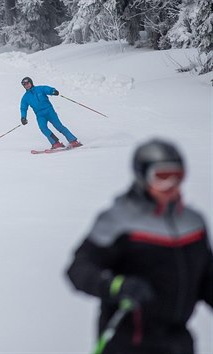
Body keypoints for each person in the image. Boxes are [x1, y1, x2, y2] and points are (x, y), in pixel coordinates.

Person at [66, 138, 212, 354]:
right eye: (162, 177)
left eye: (177, 176)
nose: (171, 185)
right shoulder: (118, 221)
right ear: (142, 175)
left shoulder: (193, 223)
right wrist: (118, 286)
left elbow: (207, 278)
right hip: (128, 342)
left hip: (178, 342)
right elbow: (79, 269)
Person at [19, 76, 82, 149]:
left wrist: (53, 91)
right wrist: (23, 117)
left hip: (49, 111)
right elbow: (23, 108)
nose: (27, 85)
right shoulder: (25, 97)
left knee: (59, 126)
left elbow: (47, 89)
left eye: (27, 83)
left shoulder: (40, 89)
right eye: (25, 84)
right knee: (43, 128)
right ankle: (56, 143)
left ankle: (73, 141)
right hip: (40, 115)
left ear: (31, 83)